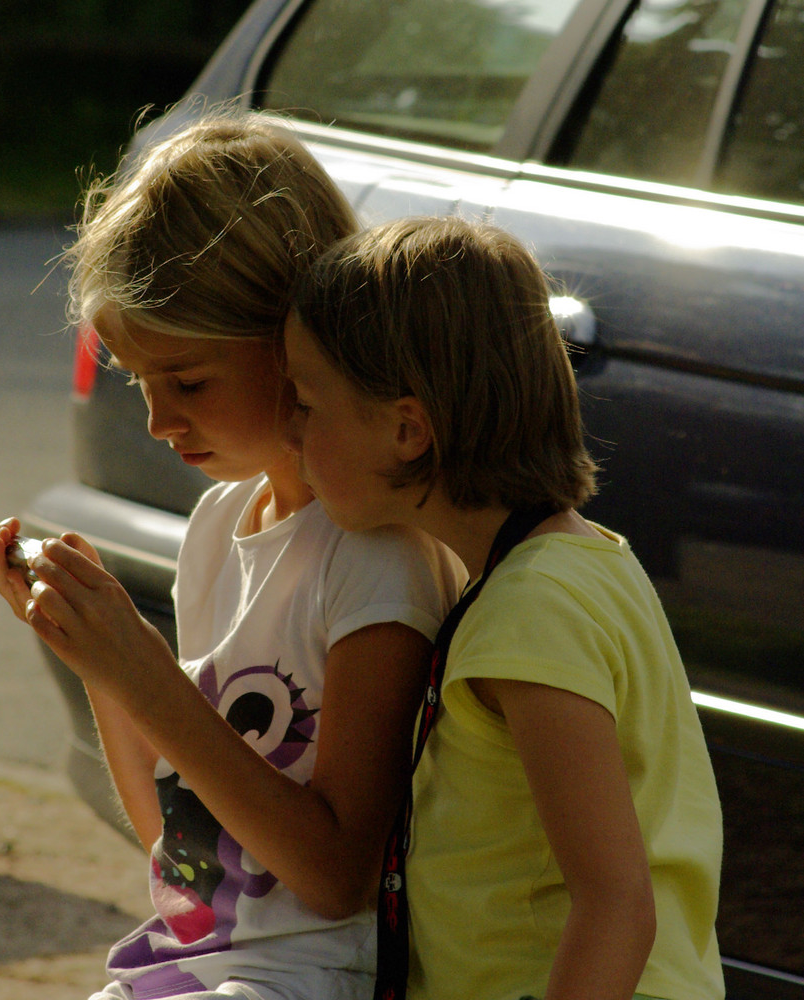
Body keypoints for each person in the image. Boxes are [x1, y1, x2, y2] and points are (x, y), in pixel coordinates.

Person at [0, 116, 465, 1000]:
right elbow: (180, 855)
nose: (160, 422)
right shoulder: (218, 524)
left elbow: (334, 876)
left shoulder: (377, 559)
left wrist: (144, 671)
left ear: (292, 337)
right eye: (137, 382)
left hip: (312, 977)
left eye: (188, 382)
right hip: (197, 964)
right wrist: (96, 654)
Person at [284, 215, 725, 1000]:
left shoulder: (530, 610)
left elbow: (616, 903)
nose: (290, 432)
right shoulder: (588, 565)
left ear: (406, 430)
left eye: (307, 404)